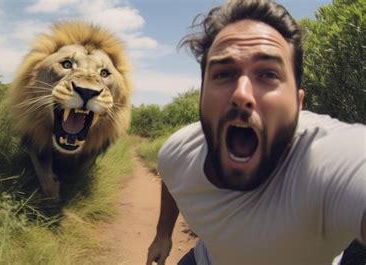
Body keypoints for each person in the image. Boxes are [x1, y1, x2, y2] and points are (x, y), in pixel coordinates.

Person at [146, 0, 366, 264]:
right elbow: (171, 179)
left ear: (298, 104)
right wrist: (163, 234)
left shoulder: (329, 159)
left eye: (268, 74)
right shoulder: (178, 151)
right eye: (223, 74)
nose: (242, 94)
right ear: (202, 97)